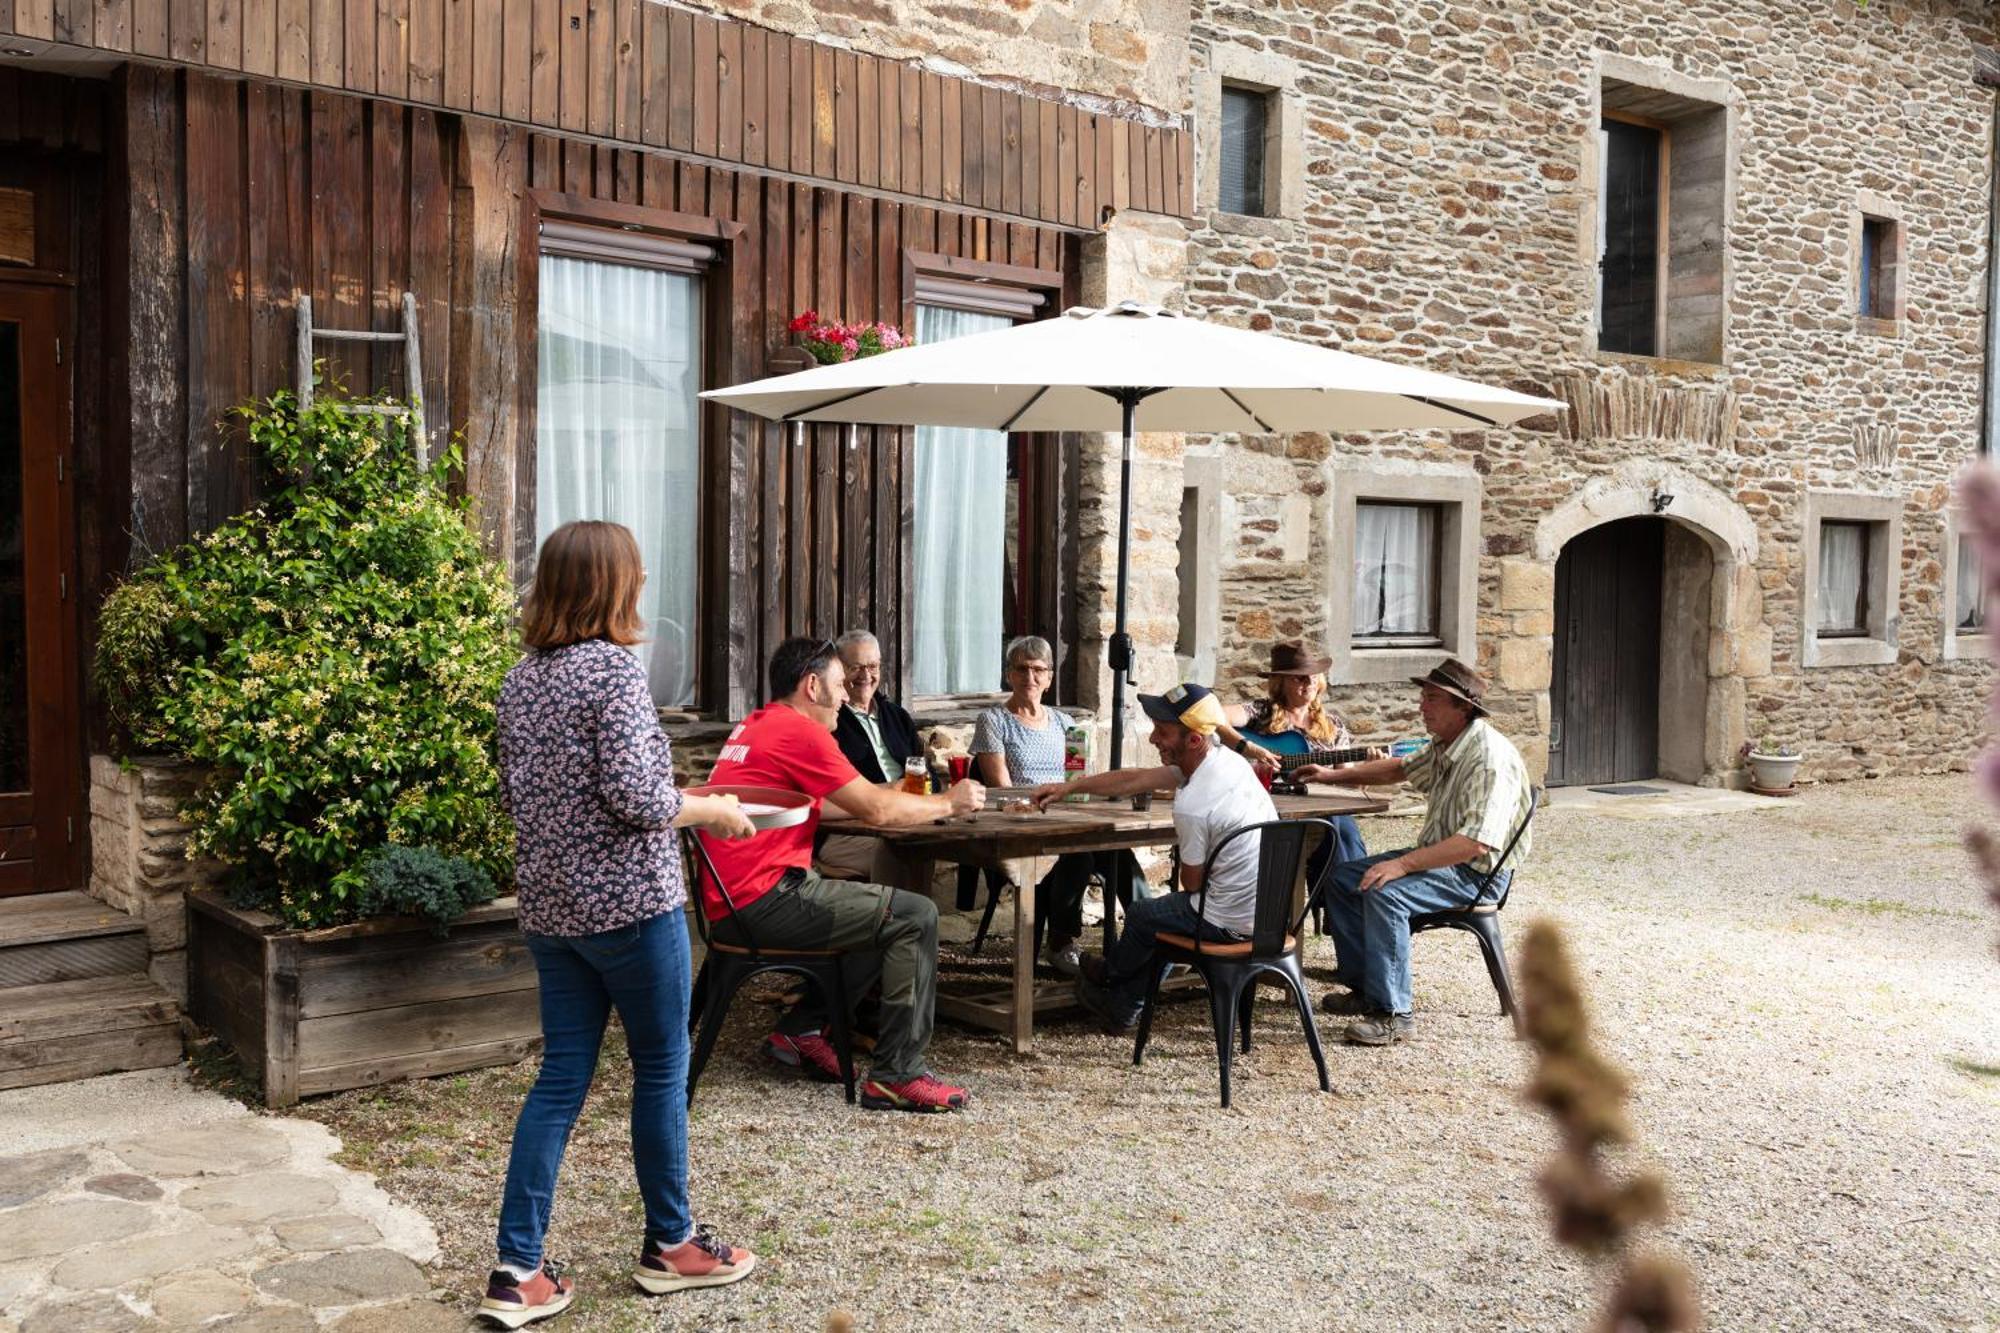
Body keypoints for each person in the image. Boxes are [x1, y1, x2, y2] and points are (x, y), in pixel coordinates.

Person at [483, 521, 758, 1330]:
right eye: (635, 574)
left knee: (561, 1079)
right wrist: (714, 807)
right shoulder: (612, 671)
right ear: (613, 583)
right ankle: (672, 1244)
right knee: (661, 1069)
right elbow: (641, 800)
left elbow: (531, 795)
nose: (642, 586)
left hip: (553, 911)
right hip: (634, 913)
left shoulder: (521, 680)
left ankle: (517, 1268)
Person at [699, 636, 986, 1113]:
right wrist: (947, 803)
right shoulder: (801, 732)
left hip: (734, 901)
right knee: (914, 915)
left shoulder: (757, 725)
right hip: (764, 900)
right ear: (812, 686)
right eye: (838, 685)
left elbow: (823, 806)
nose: (847, 698)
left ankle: (801, 1031)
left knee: (876, 910)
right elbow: (875, 810)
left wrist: (903, 800)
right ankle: (898, 1074)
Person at [1293, 659, 1535, 1048]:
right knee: (1342, 878)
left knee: (1385, 891)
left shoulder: (1489, 759)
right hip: (1447, 858)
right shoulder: (1449, 743)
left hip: (1475, 873)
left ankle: (1394, 1015)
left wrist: (1403, 864)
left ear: (1464, 708)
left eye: (1433, 699)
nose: (1422, 706)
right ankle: (1366, 988)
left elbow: (1477, 843)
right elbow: (1399, 770)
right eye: (1424, 697)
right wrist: (1331, 775)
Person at [1026, 682, 1277, 1035]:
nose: (1152, 739)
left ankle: (1113, 982)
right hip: (1270, 914)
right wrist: (1069, 787)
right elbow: (1135, 779)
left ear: (1193, 740)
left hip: (1229, 921)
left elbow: (1191, 885)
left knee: (1146, 915)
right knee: (1158, 922)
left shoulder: (1195, 804)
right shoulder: (1228, 763)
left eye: (1162, 731)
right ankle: (1121, 1001)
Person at [970, 635, 1110, 977]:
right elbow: (1001, 788)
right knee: (1081, 853)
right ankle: (1061, 943)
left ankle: (1146, 943)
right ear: (1009, 675)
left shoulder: (1067, 725)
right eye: (1021, 669)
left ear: (1049, 678)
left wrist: (1072, 800)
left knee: (1121, 854)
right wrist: (1039, 804)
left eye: (1037, 670)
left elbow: (1077, 783)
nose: (1029, 678)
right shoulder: (994, 721)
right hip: (1022, 823)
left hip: (1067, 816)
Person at [1213, 640, 1372, 898]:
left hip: (1321, 806)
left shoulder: (1333, 725)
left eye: (1312, 678)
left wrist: (1369, 769)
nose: (1307, 684)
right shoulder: (1260, 712)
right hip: (1270, 803)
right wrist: (1247, 748)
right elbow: (1214, 715)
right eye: (1298, 678)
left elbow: (1350, 786)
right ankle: (1340, 900)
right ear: (1280, 682)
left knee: (1341, 823)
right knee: (1336, 826)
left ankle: (1346, 898)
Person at [816, 629, 923, 887]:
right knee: (905, 847)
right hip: (848, 828)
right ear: (840, 671)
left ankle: (911, 919)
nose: (866, 676)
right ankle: (895, 920)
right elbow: (826, 798)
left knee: (922, 842)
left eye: (873, 666)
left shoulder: (896, 716)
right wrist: (890, 793)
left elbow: (924, 772)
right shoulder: (829, 721)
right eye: (856, 667)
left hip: (904, 816)